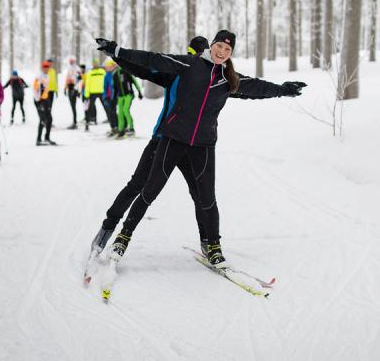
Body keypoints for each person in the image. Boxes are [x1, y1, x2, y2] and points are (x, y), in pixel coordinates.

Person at [95, 30, 306, 267]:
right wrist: (117, 52)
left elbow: (256, 88)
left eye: (228, 50)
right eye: (219, 47)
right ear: (210, 47)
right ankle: (117, 235)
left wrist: (284, 89)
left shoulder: (228, 79)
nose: (222, 52)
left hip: (202, 146)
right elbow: (150, 61)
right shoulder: (186, 66)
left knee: (205, 198)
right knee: (145, 188)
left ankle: (212, 244)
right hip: (170, 139)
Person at [84, 36, 212, 279]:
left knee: (199, 193)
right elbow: (143, 69)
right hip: (162, 140)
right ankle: (105, 232)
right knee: (137, 185)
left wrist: (279, 90)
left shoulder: (211, 81)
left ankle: (207, 241)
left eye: (198, 54)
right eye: (193, 54)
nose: (196, 59)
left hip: (190, 146)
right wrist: (116, 54)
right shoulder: (176, 74)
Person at [112, 62, 143, 138]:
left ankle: (131, 128)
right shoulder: (115, 74)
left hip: (128, 94)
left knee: (126, 110)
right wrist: (114, 97)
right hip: (120, 96)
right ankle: (121, 130)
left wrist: (139, 92)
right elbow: (115, 87)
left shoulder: (127, 71)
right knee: (120, 113)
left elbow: (134, 82)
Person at [33, 61, 56, 146]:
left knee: (49, 119)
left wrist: (48, 100)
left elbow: (47, 89)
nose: (46, 69)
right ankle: (38, 140)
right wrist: (38, 100)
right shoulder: (38, 76)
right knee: (42, 120)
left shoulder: (48, 76)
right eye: (45, 67)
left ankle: (47, 138)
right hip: (39, 100)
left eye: (48, 67)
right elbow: (35, 89)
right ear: (42, 68)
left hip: (46, 100)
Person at [83, 59, 105, 131]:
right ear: (92, 64)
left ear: (98, 64)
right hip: (92, 93)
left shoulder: (102, 71)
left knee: (107, 108)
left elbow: (106, 83)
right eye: (94, 63)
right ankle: (87, 124)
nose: (95, 64)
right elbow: (87, 84)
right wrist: (86, 94)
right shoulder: (89, 72)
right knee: (89, 109)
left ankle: (114, 126)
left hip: (102, 92)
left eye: (96, 63)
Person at [101, 59, 119, 136]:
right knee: (110, 113)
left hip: (115, 97)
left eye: (110, 66)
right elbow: (104, 87)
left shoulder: (116, 74)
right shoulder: (106, 75)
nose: (108, 68)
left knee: (114, 112)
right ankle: (113, 128)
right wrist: (104, 97)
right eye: (107, 67)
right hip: (108, 97)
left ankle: (118, 127)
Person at [64, 57, 80, 129]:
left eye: (72, 61)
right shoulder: (69, 68)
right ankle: (74, 121)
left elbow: (79, 79)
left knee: (73, 106)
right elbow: (67, 79)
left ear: (74, 61)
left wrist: (76, 89)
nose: (71, 62)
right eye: (70, 61)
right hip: (69, 88)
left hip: (74, 88)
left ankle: (75, 122)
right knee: (72, 106)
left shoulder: (77, 69)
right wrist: (65, 88)